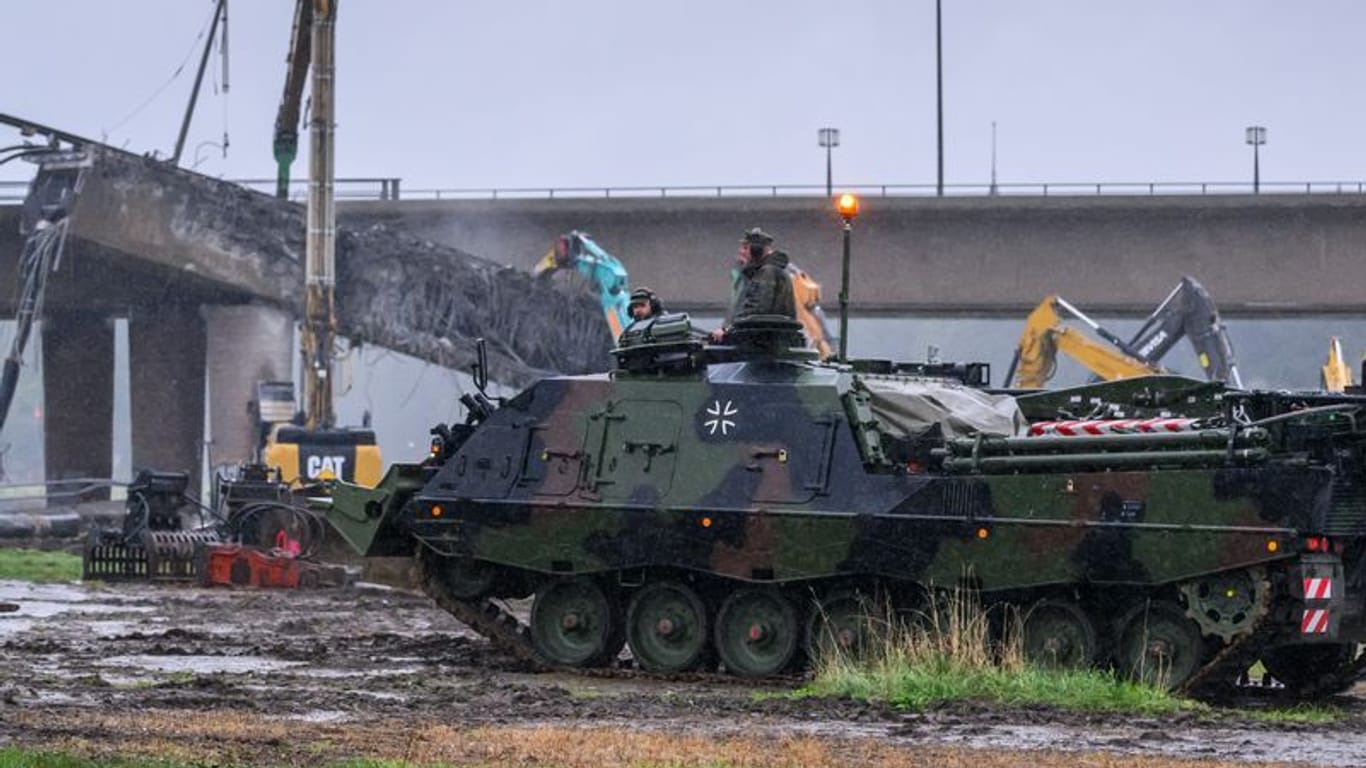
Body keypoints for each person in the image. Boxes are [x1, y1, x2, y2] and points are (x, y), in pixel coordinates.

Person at [710, 227, 796, 342]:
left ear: (757, 250)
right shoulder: (768, 271)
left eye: (746, 248)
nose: (741, 252)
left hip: (764, 343)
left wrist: (728, 330)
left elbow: (756, 311)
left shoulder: (767, 273)